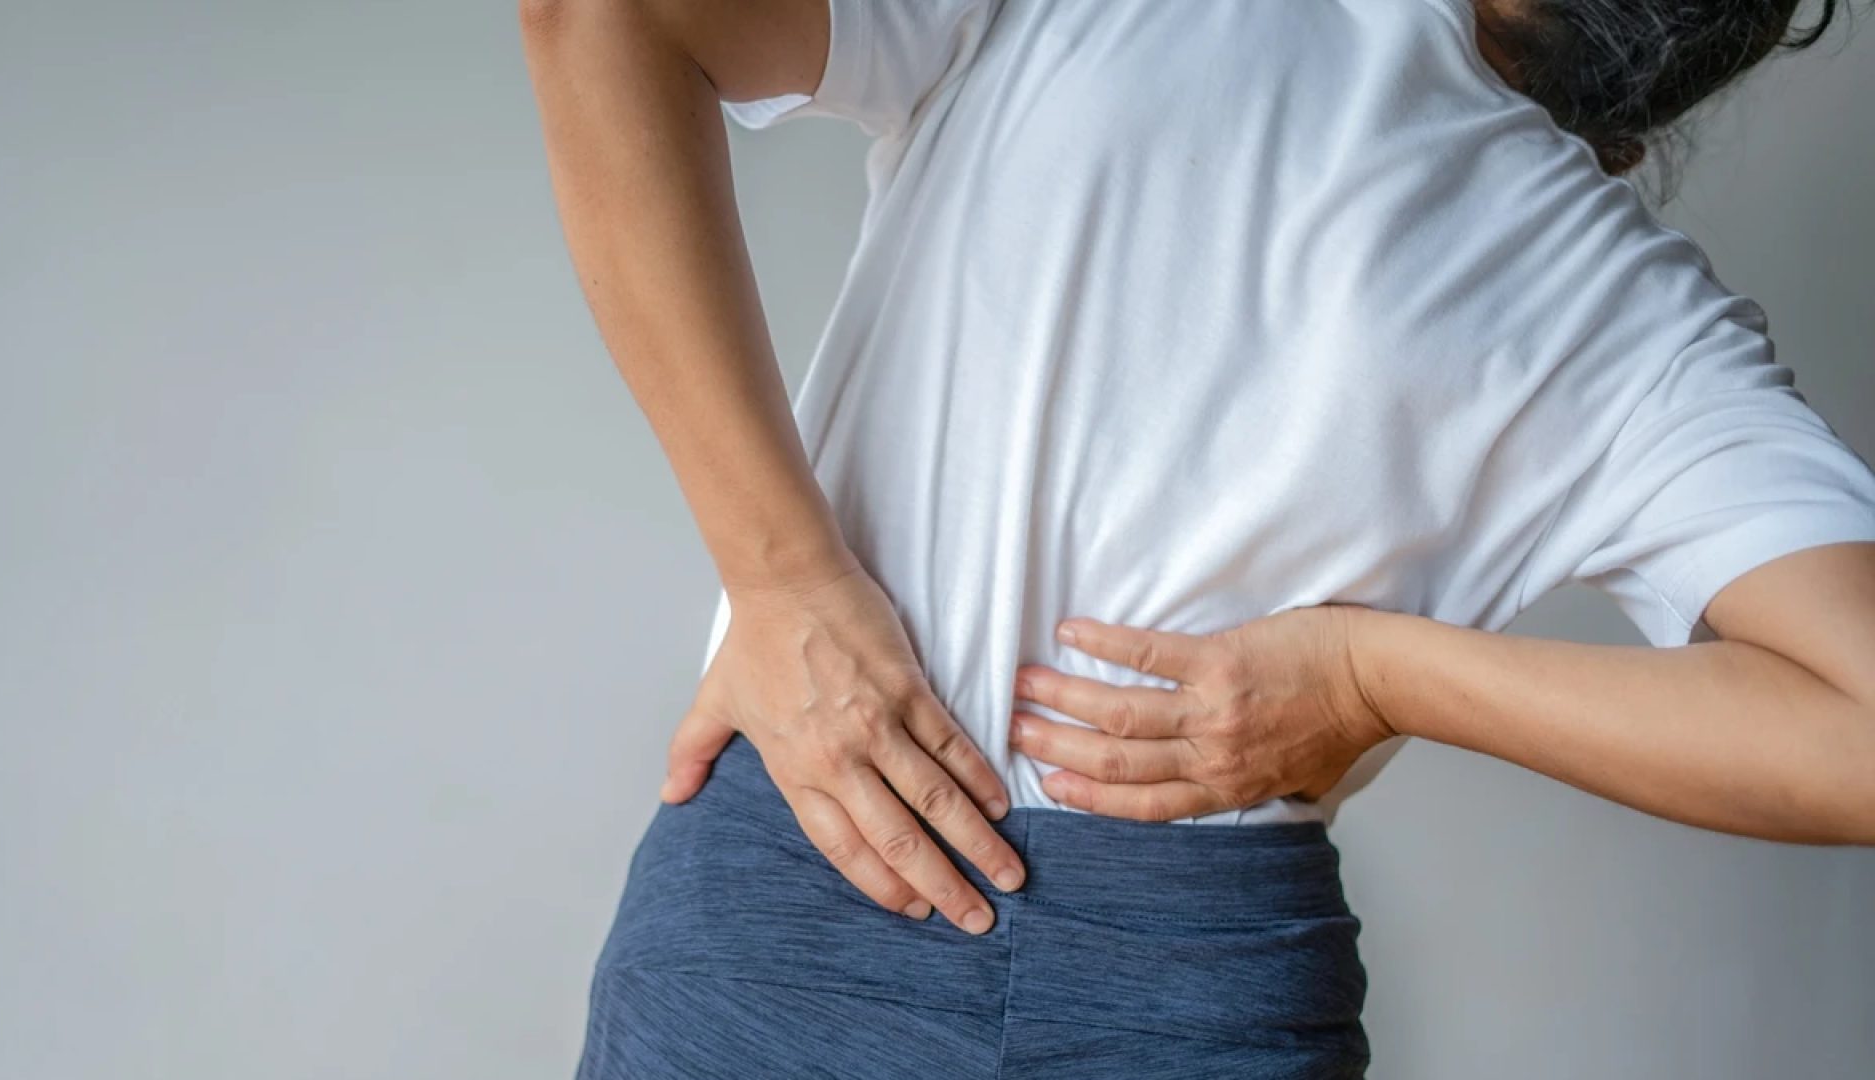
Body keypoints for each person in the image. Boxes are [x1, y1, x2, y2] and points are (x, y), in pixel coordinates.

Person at [519, 0, 1875, 1074]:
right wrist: (1371, 673)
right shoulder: (1628, 317)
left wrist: (784, 576)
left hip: (817, 880)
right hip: (1194, 978)